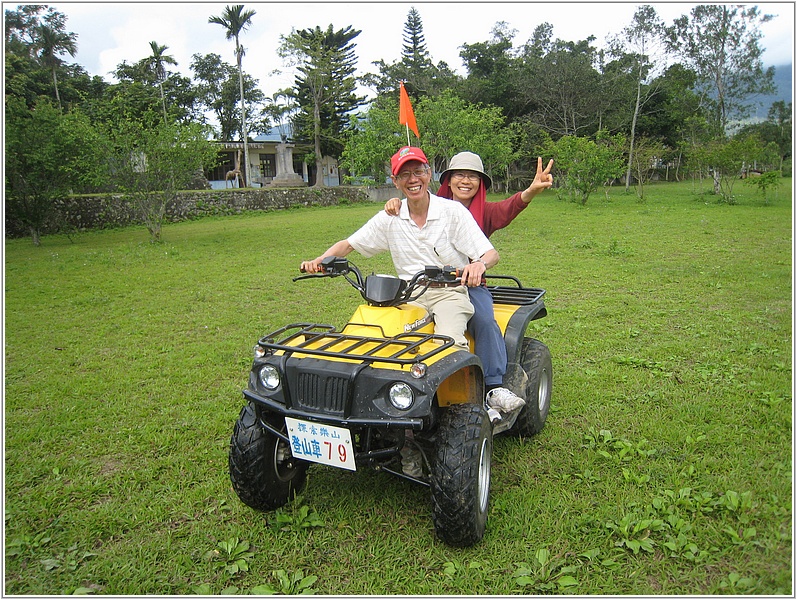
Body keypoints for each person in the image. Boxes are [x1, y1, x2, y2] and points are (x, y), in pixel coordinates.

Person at [384, 152, 554, 411]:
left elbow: (509, 207)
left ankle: (494, 385)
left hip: (469, 284)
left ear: (481, 183)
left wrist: (530, 191)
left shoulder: (485, 211)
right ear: (448, 180)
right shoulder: (429, 204)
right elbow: (408, 207)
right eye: (459, 175)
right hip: (425, 286)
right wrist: (395, 203)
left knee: (484, 320)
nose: (466, 181)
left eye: (473, 176)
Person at [300, 146, 499, 350]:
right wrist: (319, 261)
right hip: (408, 295)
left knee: (447, 345)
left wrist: (479, 265)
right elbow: (348, 244)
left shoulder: (452, 212)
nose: (413, 179)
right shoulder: (391, 217)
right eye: (404, 174)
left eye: (418, 172)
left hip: (449, 293)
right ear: (395, 181)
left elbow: (491, 254)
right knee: (379, 339)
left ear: (428, 174)